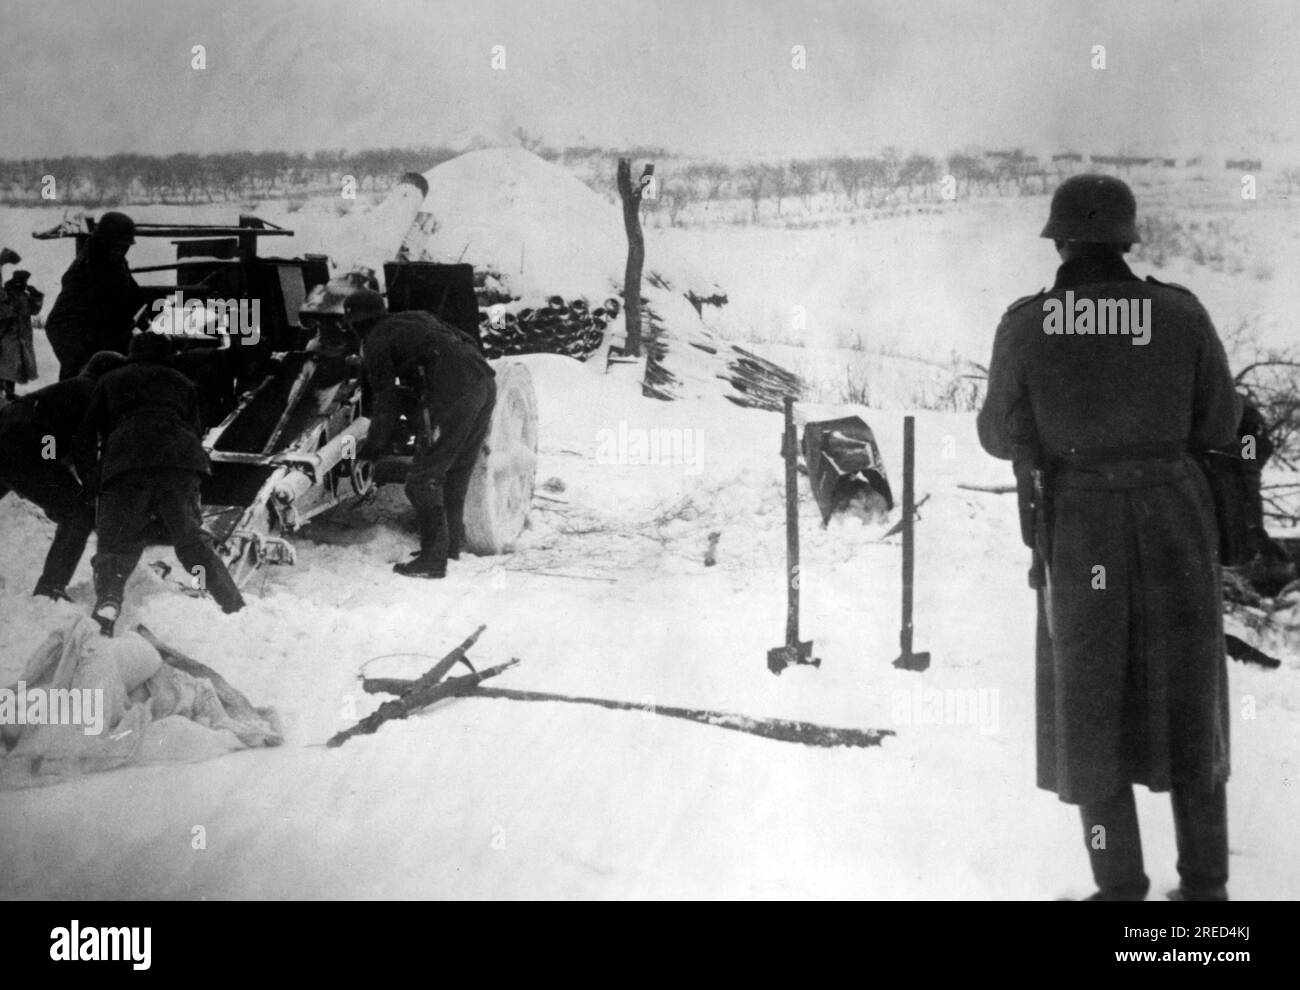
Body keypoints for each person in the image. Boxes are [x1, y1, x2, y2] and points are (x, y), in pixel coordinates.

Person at [976, 174, 1241, 902]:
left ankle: (1120, 887)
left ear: (1060, 240)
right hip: (1176, 521)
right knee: (1190, 701)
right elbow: (1220, 425)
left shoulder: (1028, 325)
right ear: (1127, 239)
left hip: (1082, 524)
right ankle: (1206, 891)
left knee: (1089, 706)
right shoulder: (1180, 314)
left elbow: (999, 434)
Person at [75, 332, 245, 635]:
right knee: (191, 541)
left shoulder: (110, 380)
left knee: (116, 543)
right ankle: (233, 606)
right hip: (180, 460)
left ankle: (109, 604)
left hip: (126, 462)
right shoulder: (182, 382)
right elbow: (195, 427)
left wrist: (92, 477)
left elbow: (87, 434)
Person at [345, 289, 496, 578]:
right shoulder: (414, 318)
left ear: (355, 322)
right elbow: (465, 340)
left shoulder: (375, 341)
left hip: (457, 392)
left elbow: (385, 400)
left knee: (422, 479)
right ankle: (449, 546)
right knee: (456, 469)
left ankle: (432, 560)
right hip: (484, 382)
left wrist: (374, 448)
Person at [0, 350, 125, 600]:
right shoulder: (93, 395)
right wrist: (93, 489)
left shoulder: (69, 388)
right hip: (27, 455)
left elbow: (54, 437)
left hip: (7, 441)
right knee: (80, 514)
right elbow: (82, 447)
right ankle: (50, 589)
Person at [44, 211, 144, 381]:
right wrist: (81, 366)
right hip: (89, 367)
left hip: (114, 356)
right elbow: (57, 324)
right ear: (103, 243)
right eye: (116, 246)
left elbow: (134, 297)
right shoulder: (83, 272)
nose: (120, 251)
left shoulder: (116, 265)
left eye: (124, 246)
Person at [0, 256, 43, 400]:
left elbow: (34, 310)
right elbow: (5, 310)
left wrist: (36, 296)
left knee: (15, 366)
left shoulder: (24, 296)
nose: (23, 285)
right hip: (6, 334)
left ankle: (9, 393)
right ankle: (6, 393)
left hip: (22, 336)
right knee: (6, 364)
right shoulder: (5, 293)